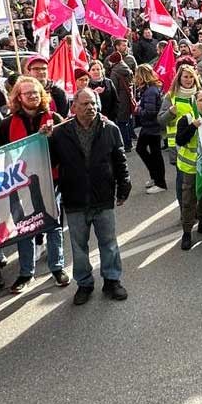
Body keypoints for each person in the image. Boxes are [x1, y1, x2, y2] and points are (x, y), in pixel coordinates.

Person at [49, 87, 131, 305]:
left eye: (93, 103)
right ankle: (84, 284)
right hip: (74, 199)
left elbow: (120, 160)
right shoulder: (60, 133)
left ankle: (112, 280)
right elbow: (49, 162)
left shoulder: (110, 129)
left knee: (109, 242)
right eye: (85, 104)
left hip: (103, 197)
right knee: (79, 246)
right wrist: (44, 139)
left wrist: (124, 186)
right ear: (74, 106)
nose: (90, 108)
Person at [0, 77, 65, 291]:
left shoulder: (54, 118)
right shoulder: (7, 124)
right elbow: (0, 156)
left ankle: (57, 267)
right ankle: (26, 273)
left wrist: (51, 139)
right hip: (21, 184)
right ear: (19, 97)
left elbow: (66, 151)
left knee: (54, 226)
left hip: (51, 180)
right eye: (28, 93)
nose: (33, 96)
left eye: (36, 92)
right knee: (25, 229)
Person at [172, 89, 202, 250]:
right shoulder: (187, 119)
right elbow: (180, 140)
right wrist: (192, 127)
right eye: (201, 100)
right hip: (190, 167)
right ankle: (187, 232)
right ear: (195, 102)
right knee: (189, 200)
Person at [130, 64, 168, 194]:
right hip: (150, 126)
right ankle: (155, 177)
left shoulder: (150, 91)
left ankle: (160, 182)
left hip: (152, 127)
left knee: (152, 152)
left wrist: (138, 110)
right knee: (148, 151)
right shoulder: (148, 89)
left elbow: (150, 111)